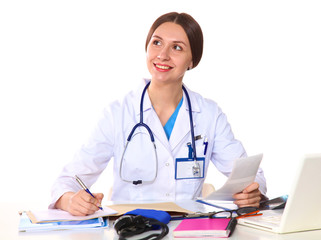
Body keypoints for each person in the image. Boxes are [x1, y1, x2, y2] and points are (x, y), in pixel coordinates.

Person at [50, 12, 267, 216]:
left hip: (188, 230)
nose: (162, 55)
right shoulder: (118, 113)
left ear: (192, 60)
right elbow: (67, 181)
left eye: (177, 48)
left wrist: (251, 193)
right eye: (157, 43)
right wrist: (70, 201)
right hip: (131, 229)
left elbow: (251, 175)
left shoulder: (209, 114)